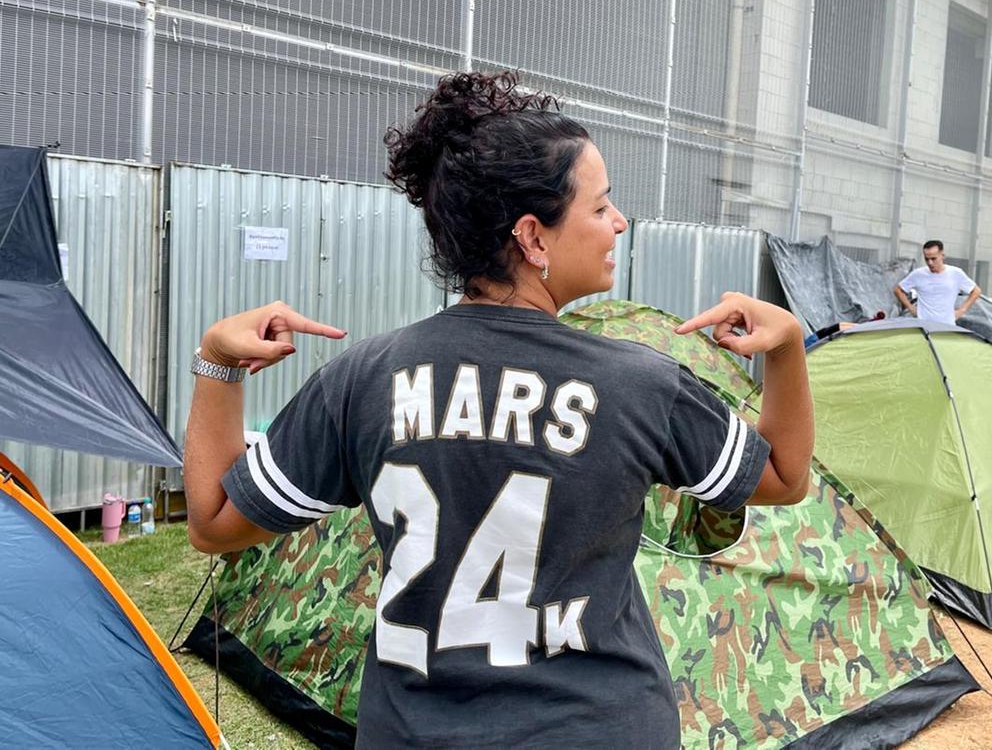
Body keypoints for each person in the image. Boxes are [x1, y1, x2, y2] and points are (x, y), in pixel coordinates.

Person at [183, 72, 814, 749]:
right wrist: (787, 350)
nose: (620, 223)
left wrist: (218, 363)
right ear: (533, 239)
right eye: (601, 208)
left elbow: (215, 524)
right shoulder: (641, 385)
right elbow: (783, 475)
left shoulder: (362, 379)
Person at [893, 240, 981, 325]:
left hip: (947, 326)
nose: (930, 262)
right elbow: (898, 290)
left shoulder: (955, 273)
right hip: (924, 326)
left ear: (942, 255)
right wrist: (912, 309)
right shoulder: (918, 274)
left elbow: (976, 291)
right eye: (926, 259)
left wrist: (961, 310)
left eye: (933, 258)